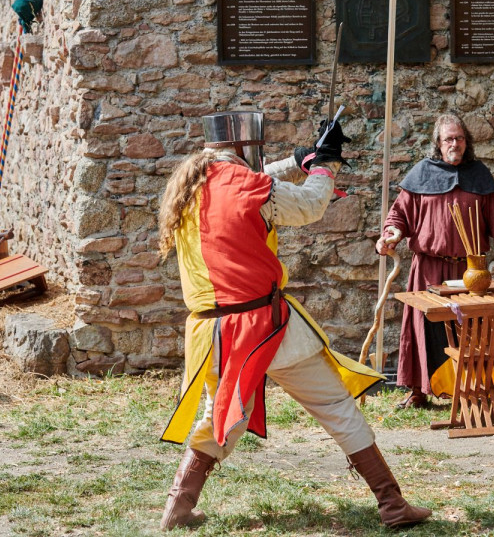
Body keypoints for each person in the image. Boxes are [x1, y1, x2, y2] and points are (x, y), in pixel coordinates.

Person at [157, 112, 431, 530]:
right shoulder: (246, 184)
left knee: (219, 418)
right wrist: (326, 164)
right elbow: (309, 204)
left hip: (212, 333)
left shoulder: (193, 182)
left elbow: (257, 181)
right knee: (336, 406)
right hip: (263, 328)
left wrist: (298, 159)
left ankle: (177, 507)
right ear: (245, 148)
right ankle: (391, 503)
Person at [375, 113, 494, 409]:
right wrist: (390, 234)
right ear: (438, 142)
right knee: (423, 329)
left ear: (466, 142)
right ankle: (419, 391)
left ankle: (471, 390)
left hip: (470, 271)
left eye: (459, 138)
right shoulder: (421, 174)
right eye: (449, 139)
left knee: (469, 332)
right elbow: (398, 216)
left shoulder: (479, 175)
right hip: (427, 269)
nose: (454, 144)